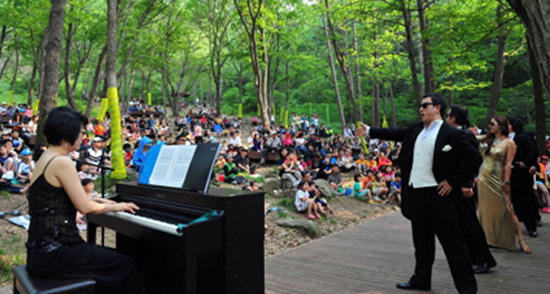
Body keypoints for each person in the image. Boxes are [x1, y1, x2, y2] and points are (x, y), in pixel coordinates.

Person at [356, 93, 481, 294]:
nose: (421, 109)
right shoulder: (415, 129)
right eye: (420, 106)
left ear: (437, 108)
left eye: (425, 105)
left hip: (439, 195)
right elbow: (395, 133)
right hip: (416, 192)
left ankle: (467, 288)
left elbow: (473, 159)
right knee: (421, 241)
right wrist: (370, 131)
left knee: (453, 243)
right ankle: (421, 279)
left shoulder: (453, 134)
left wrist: (452, 181)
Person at [26, 106, 142, 294]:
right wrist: (118, 206)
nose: (83, 137)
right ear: (66, 135)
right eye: (80, 133)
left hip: (40, 252)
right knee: (125, 264)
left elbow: (66, 197)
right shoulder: (62, 162)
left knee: (111, 260)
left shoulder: (46, 157)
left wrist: (105, 202)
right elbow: (85, 206)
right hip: (57, 252)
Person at [446, 105, 497, 274]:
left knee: (469, 223)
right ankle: (471, 257)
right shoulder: (457, 134)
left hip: (463, 186)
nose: (446, 118)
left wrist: (467, 184)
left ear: (454, 118)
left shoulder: (465, 135)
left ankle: (483, 259)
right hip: (455, 186)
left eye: (448, 115)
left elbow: (471, 161)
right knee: (461, 223)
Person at [477, 116, 531, 254]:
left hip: (498, 178)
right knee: (485, 209)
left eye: (492, 124)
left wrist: (506, 181)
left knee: (508, 208)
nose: (490, 126)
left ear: (501, 126)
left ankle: (521, 241)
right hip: (484, 178)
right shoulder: (487, 139)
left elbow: (508, 164)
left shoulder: (509, 143)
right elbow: (472, 139)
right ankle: (488, 238)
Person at [508, 116, 541, 237]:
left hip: (520, 172)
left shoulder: (523, 137)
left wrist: (526, 163)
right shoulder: (504, 138)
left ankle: (531, 226)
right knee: (514, 200)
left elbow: (533, 151)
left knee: (524, 199)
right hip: (507, 173)